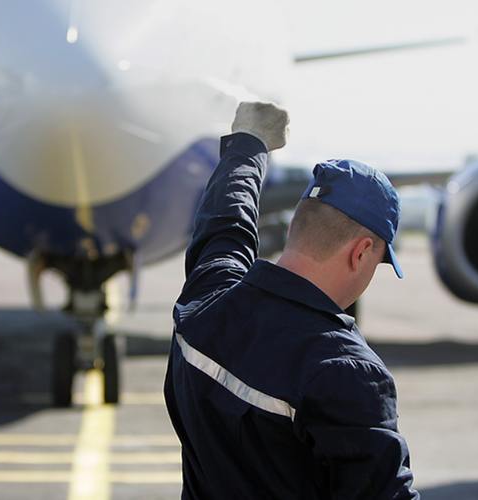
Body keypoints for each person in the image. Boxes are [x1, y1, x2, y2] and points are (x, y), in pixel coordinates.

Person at [164, 101, 418, 500]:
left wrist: (249, 144)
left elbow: (225, 219)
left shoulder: (205, 302)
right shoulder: (342, 372)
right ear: (361, 252)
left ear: (299, 227)